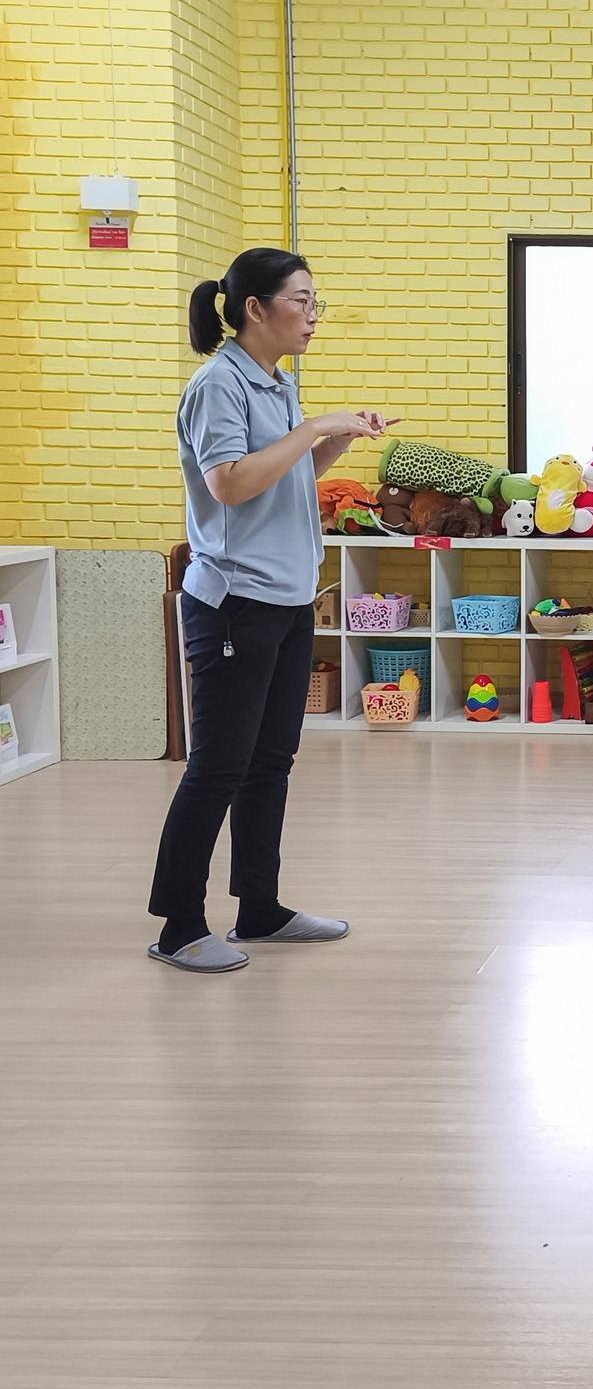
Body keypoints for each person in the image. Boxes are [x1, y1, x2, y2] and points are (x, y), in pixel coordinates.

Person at [149, 248, 387, 973]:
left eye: (316, 303)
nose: (313, 316)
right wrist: (312, 429)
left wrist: (330, 442)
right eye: (301, 301)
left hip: (286, 599)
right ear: (255, 307)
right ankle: (179, 927)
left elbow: (278, 480)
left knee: (270, 763)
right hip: (234, 603)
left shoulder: (277, 382)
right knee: (218, 767)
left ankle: (259, 907)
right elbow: (227, 484)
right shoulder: (218, 384)